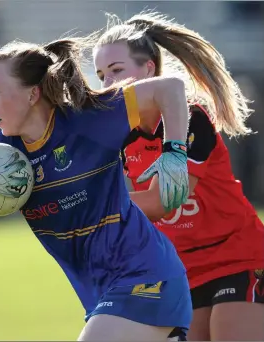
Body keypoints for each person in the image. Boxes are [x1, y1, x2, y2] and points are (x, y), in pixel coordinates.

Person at [0, 37, 193, 341]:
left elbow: (170, 87)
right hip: (103, 295)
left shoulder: (92, 119)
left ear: (32, 94)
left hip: (146, 276)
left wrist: (174, 152)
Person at [93, 11, 264, 341]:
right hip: (182, 270)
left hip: (239, 256)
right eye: (101, 75)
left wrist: (91, 205)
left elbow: (161, 202)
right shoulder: (121, 135)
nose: (108, 84)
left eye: (117, 71)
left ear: (148, 70)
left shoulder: (190, 117)